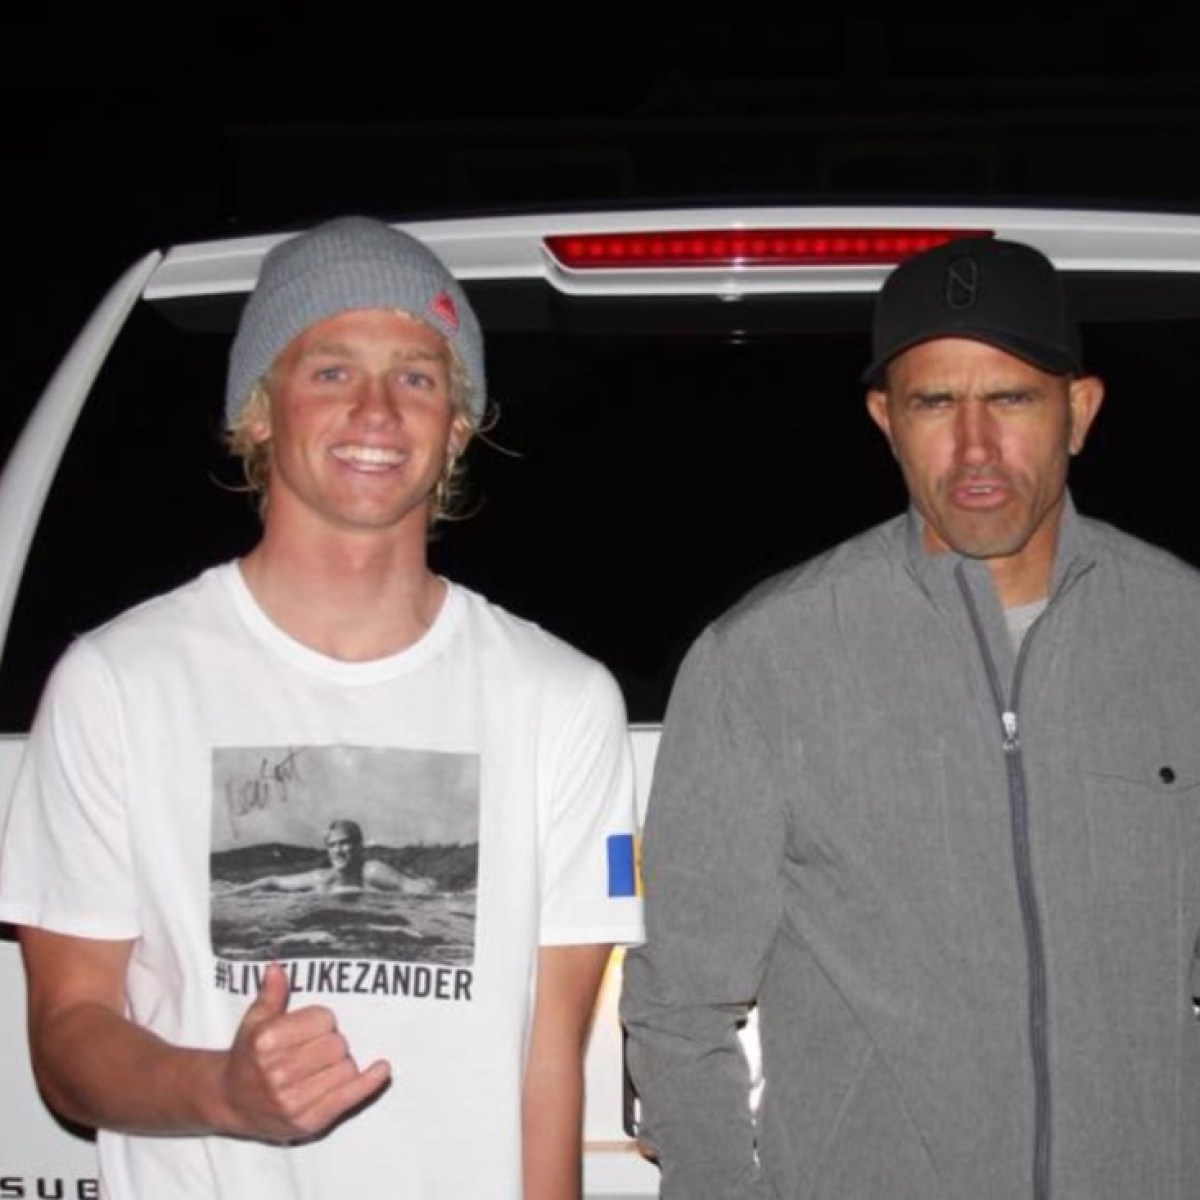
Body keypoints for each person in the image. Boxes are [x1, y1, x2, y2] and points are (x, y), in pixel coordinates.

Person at [0, 215, 644, 1200]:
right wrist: (222, 1090)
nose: (379, 411)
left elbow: (546, 1068)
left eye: (418, 376)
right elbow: (66, 1041)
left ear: (457, 426)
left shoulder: (559, 700)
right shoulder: (120, 683)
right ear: (260, 411)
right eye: (332, 371)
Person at [620, 235, 1200, 1200]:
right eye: (935, 403)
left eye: (1012, 399)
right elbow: (679, 1009)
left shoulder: (1180, 635)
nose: (975, 447)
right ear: (886, 420)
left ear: (1079, 413)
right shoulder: (763, 660)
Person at [225, 818, 436, 896]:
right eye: (332, 845)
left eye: (344, 843)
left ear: (359, 847)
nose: (337, 851)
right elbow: (273, 882)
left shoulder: (371, 873)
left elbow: (420, 889)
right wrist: (230, 893)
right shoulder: (322, 879)